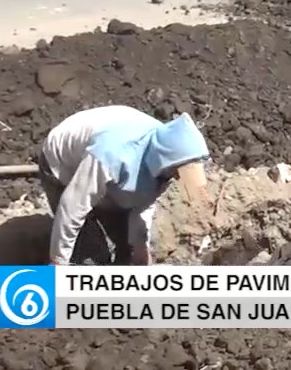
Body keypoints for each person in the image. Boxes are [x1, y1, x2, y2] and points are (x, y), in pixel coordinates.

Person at [37, 105, 214, 266]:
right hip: (62, 166)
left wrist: (140, 248)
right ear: (165, 161)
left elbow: (144, 205)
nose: (177, 177)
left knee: (127, 248)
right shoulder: (111, 156)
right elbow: (73, 206)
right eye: (177, 171)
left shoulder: (165, 163)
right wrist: (58, 261)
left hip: (103, 173)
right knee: (91, 258)